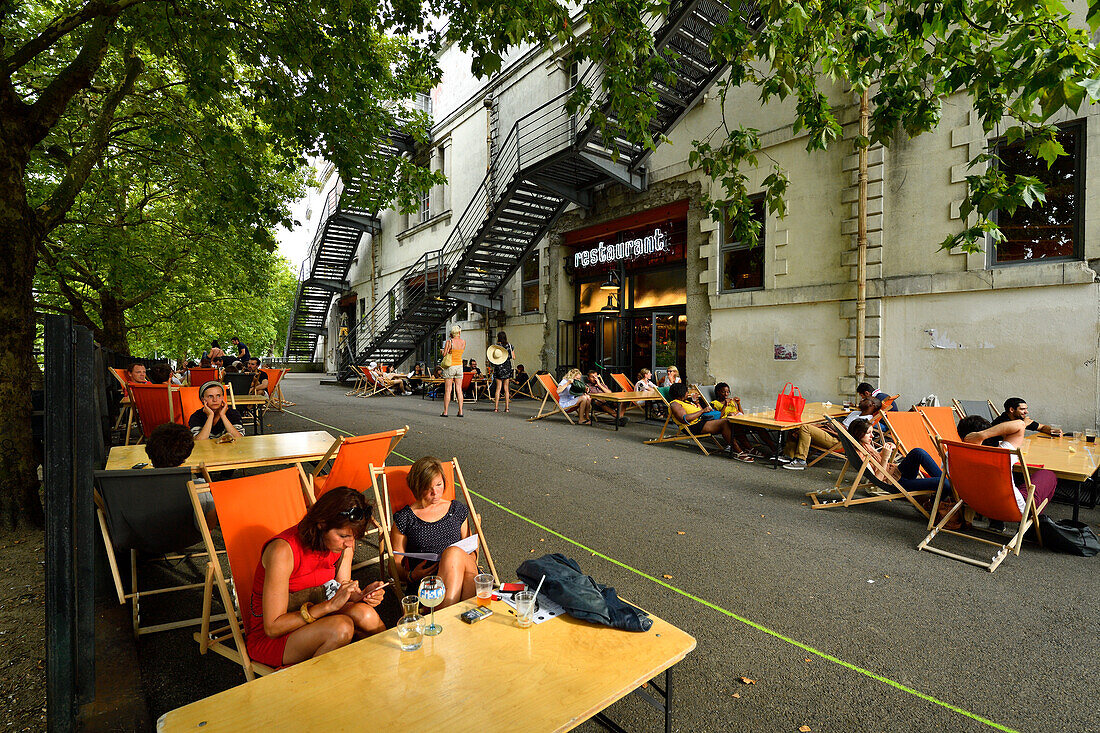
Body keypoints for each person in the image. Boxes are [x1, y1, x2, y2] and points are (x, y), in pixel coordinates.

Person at [245, 487, 387, 669]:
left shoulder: (342, 545)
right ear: (321, 524)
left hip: (318, 620)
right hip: (275, 638)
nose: (350, 544)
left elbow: (342, 585)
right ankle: (311, 690)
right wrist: (328, 606)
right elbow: (273, 628)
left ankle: (385, 671)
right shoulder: (282, 551)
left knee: (366, 615)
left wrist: (360, 596)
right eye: (343, 536)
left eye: (354, 537)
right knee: (341, 628)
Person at [390, 457, 478, 608]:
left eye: (439, 484)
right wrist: (411, 575)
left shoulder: (456, 510)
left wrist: (454, 559)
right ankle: (454, 618)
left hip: (465, 571)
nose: (436, 492)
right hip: (428, 585)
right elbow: (395, 566)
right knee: (454, 557)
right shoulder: (405, 519)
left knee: (453, 553)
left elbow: (472, 552)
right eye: (428, 487)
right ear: (417, 487)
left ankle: (440, 617)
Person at [957, 414, 1058, 520]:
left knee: (1017, 481)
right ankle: (1030, 525)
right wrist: (982, 435)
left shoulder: (950, 454)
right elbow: (1020, 424)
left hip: (976, 505)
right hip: (1012, 510)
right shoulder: (1002, 454)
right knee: (1047, 474)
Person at [847, 419, 947, 496]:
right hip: (895, 483)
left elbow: (876, 462)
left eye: (872, 432)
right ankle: (950, 491)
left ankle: (950, 487)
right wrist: (886, 456)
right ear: (858, 434)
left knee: (918, 452)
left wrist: (884, 451)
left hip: (896, 473)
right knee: (942, 483)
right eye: (868, 433)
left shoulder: (865, 444)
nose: (872, 436)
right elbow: (876, 480)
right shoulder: (860, 455)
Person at [783, 397, 881, 470]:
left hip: (840, 441)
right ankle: (789, 455)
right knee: (798, 425)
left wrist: (835, 425)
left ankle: (801, 461)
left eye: (865, 400)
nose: (861, 400)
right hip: (834, 432)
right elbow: (843, 425)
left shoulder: (865, 421)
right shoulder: (855, 413)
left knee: (806, 428)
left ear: (872, 405)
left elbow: (853, 436)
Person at [667, 383, 752, 461]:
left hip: (702, 421)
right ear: (681, 393)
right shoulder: (675, 404)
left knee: (732, 421)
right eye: (686, 392)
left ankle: (748, 448)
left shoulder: (687, 402)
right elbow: (684, 418)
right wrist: (702, 411)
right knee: (725, 423)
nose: (687, 393)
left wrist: (697, 403)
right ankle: (737, 451)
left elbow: (700, 411)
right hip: (694, 426)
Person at [992, 397, 1063, 436]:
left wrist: (1052, 429)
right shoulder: (1001, 422)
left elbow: (1042, 427)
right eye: (1022, 409)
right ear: (1012, 410)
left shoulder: (1019, 419)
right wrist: (1024, 424)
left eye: (1026, 409)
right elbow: (1009, 438)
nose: (1026, 412)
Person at [440, 326, 465, 417]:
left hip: (450, 366)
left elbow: (444, 354)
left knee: (448, 390)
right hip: (459, 366)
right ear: (459, 332)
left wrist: (442, 351)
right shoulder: (463, 342)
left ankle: (446, 411)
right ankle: (460, 411)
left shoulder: (449, 342)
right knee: (459, 389)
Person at [490, 331, 516, 413]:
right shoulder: (509, 345)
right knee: (506, 389)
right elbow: (514, 357)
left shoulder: (497, 346)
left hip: (499, 367)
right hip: (507, 367)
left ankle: (496, 408)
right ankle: (507, 408)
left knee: (498, 388)